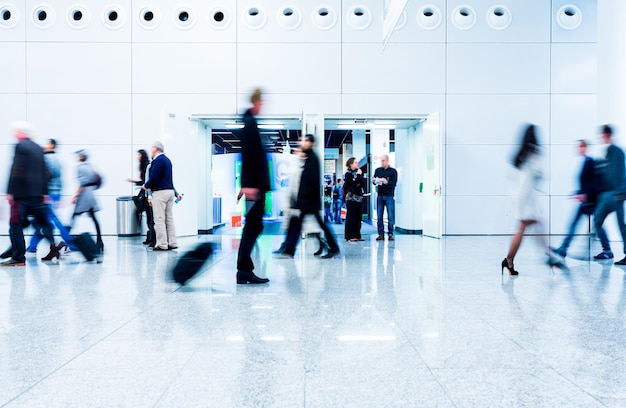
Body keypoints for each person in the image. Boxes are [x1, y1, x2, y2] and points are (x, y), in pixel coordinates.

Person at [502, 124, 559, 275]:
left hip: (518, 196)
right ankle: (511, 260)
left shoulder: (518, 155)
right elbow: (542, 174)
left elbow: (510, 175)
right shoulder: (534, 154)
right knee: (527, 226)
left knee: (529, 225)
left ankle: (510, 261)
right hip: (526, 197)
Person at [1, 122, 59, 267]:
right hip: (38, 194)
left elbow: (17, 168)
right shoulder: (38, 148)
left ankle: (18, 257)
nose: (15, 134)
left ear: (22, 133)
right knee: (41, 222)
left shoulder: (20, 146)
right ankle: (54, 247)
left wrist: (10, 191)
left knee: (15, 224)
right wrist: (44, 193)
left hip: (22, 194)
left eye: (16, 131)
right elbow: (46, 173)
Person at [279, 134, 340, 259]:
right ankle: (289, 250)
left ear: (311, 143)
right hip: (308, 201)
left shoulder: (313, 159)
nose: (303, 143)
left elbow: (310, 182)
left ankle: (290, 250)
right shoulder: (309, 158)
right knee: (304, 225)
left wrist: (302, 200)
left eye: (306, 141)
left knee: (315, 225)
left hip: (309, 201)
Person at [235, 88, 271, 284]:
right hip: (254, 187)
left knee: (254, 226)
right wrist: (247, 184)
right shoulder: (249, 124)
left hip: (256, 186)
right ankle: (243, 270)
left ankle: (244, 270)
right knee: (252, 227)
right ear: (257, 102)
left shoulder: (250, 122)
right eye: (262, 101)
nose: (263, 105)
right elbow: (248, 156)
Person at [551, 140, 597, 258]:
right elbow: (585, 183)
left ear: (586, 148)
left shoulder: (590, 161)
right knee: (575, 223)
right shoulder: (585, 162)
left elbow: (592, 182)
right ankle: (563, 248)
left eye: (581, 146)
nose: (579, 149)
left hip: (590, 201)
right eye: (578, 147)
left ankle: (607, 250)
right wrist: (578, 193)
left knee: (598, 225)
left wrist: (586, 195)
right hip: (585, 200)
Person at [590, 125, 626, 263]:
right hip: (610, 194)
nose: (601, 138)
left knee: (620, 224)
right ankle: (607, 251)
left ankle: (615, 252)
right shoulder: (608, 152)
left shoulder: (616, 152)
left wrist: (621, 192)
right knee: (598, 220)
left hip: (616, 195)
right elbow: (607, 173)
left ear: (606, 135)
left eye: (602, 135)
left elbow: (621, 172)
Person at [142, 142, 181, 251]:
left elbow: (154, 178)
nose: (151, 150)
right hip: (169, 192)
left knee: (159, 219)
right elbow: (169, 179)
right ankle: (173, 242)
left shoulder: (157, 161)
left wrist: (146, 185)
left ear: (155, 149)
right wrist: (176, 193)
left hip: (160, 193)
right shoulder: (168, 160)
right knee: (169, 219)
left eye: (152, 148)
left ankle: (162, 244)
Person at [70, 149, 104, 252]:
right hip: (90, 194)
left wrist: (75, 195)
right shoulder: (90, 166)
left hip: (84, 195)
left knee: (74, 217)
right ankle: (100, 241)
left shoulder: (80, 168)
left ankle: (67, 241)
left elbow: (82, 183)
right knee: (94, 218)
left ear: (81, 157)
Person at [129, 149, 153, 246]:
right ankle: (149, 237)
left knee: (148, 215)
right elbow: (144, 181)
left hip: (147, 193)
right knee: (147, 215)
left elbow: (146, 181)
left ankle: (150, 237)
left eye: (139, 154)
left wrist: (135, 182)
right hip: (145, 192)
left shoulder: (146, 165)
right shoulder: (143, 165)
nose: (137, 156)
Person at [372, 154, 398, 241]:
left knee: (390, 215)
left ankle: (390, 233)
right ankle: (381, 234)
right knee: (379, 216)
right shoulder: (378, 170)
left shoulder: (393, 171)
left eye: (383, 161)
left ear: (387, 161)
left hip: (389, 196)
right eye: (381, 161)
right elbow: (374, 180)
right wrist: (374, 180)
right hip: (380, 195)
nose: (382, 162)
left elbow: (393, 184)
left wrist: (386, 182)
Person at [344, 157, 365, 242]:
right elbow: (354, 184)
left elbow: (362, 183)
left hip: (359, 197)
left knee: (358, 217)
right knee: (351, 216)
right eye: (355, 163)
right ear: (351, 164)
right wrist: (358, 178)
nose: (357, 164)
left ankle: (357, 234)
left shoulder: (358, 172)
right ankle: (350, 235)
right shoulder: (348, 174)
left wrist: (359, 178)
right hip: (351, 197)